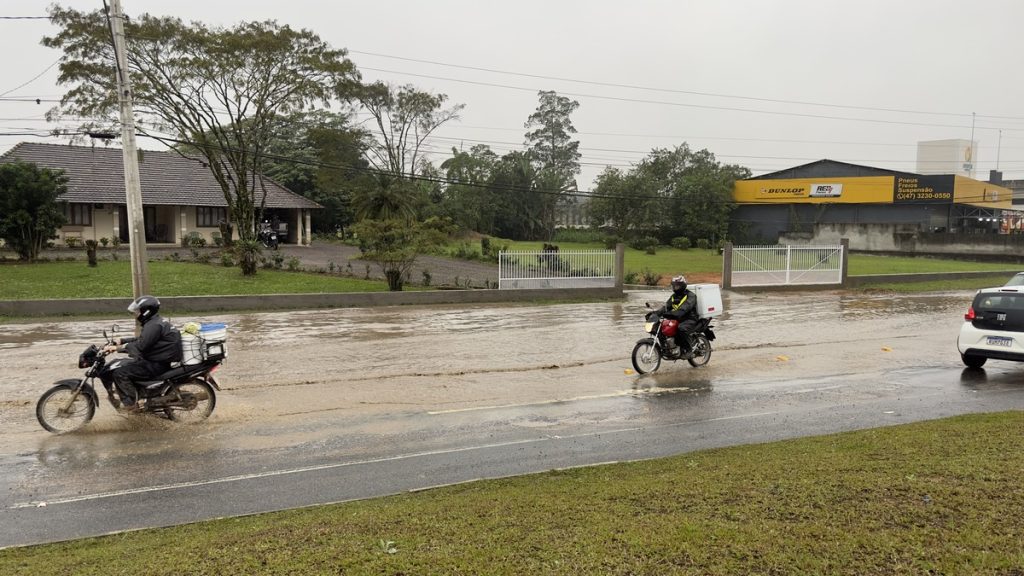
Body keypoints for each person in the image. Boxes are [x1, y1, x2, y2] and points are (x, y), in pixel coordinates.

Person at [102, 295, 182, 412]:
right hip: (157, 360)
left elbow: (141, 346)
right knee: (121, 364)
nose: (136, 314)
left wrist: (117, 348)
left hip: (156, 364)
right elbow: (143, 340)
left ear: (146, 311)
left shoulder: (154, 325)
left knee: (120, 373)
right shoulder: (155, 322)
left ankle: (131, 405)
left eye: (138, 311)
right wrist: (122, 340)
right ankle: (137, 395)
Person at [658, 275, 699, 354]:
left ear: (682, 286)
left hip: (690, 319)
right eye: (673, 286)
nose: (675, 288)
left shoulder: (691, 296)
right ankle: (668, 348)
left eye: (677, 286)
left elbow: (685, 308)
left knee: (681, 328)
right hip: (677, 318)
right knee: (662, 327)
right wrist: (655, 314)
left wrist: (672, 314)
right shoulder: (673, 297)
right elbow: (666, 307)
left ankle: (688, 349)